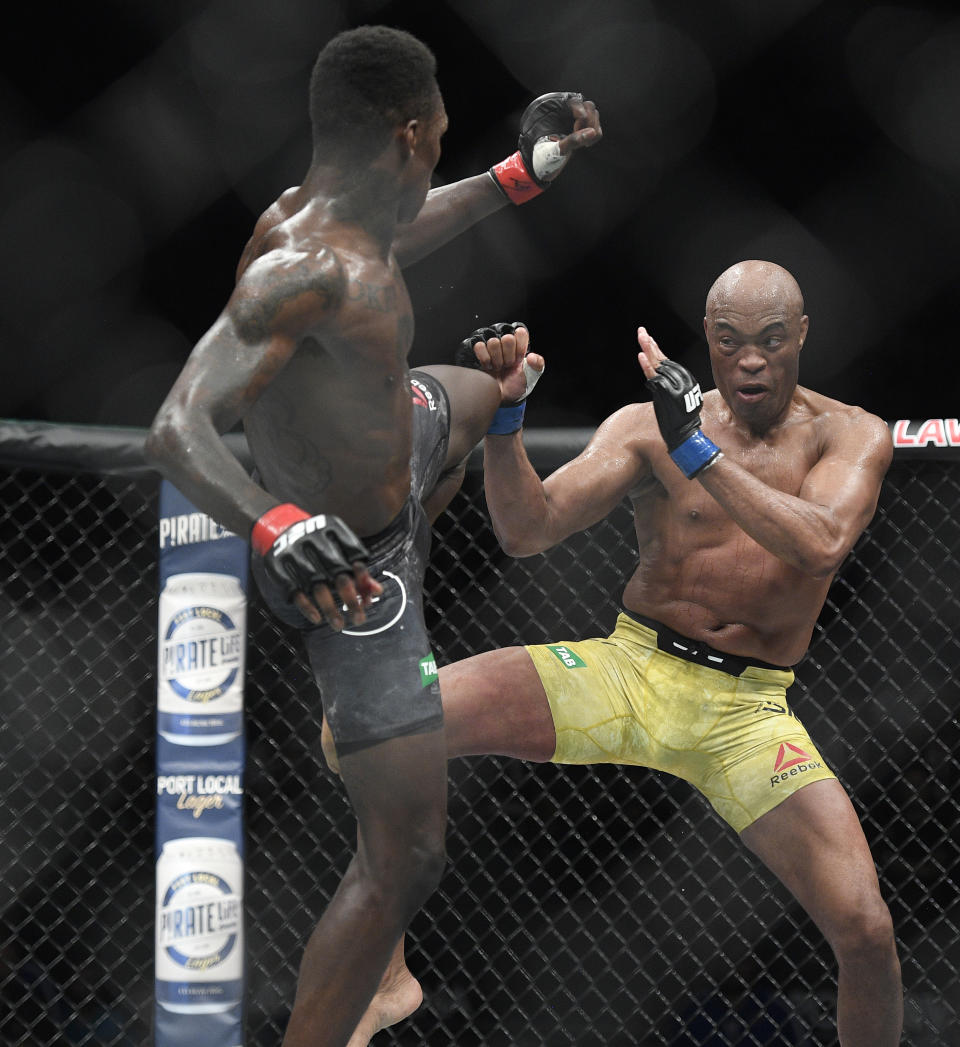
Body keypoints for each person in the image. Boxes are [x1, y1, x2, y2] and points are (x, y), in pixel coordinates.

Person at [144, 24, 601, 1047]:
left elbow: (403, 232)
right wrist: (276, 525)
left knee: (482, 392)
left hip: (405, 437)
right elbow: (175, 425)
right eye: (438, 135)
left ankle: (430, 534)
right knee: (412, 856)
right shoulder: (299, 264)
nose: (439, 150)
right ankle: (364, 1000)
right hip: (352, 565)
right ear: (404, 134)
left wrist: (519, 176)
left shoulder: (356, 225)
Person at [339, 260, 902, 1046]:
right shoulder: (646, 426)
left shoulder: (851, 433)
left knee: (866, 928)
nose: (750, 360)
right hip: (629, 668)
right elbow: (527, 530)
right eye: (732, 339)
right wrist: (506, 421)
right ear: (707, 336)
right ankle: (386, 973)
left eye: (771, 340)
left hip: (747, 713)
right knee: (380, 724)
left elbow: (821, 543)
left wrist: (697, 451)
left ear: (801, 335)